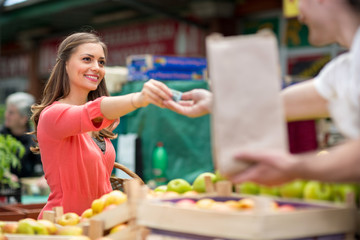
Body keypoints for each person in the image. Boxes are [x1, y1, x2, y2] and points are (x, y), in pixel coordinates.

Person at [164, 0, 360, 185]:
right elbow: (280, 105)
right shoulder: (346, 69)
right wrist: (216, 103)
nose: (298, 12)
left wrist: (295, 167)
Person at [30, 32, 173, 218]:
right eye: (87, 59)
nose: (96, 67)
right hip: (63, 225)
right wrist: (139, 98)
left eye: (101, 62)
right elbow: (91, 111)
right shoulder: (53, 115)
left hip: (100, 224)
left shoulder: (101, 125)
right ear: (65, 64)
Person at [0, 92, 43, 178]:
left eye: (11, 113)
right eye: (7, 111)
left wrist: (43, 177)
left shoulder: (35, 139)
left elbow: (44, 165)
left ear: (23, 119)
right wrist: (4, 174)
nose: (6, 115)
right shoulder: (1, 135)